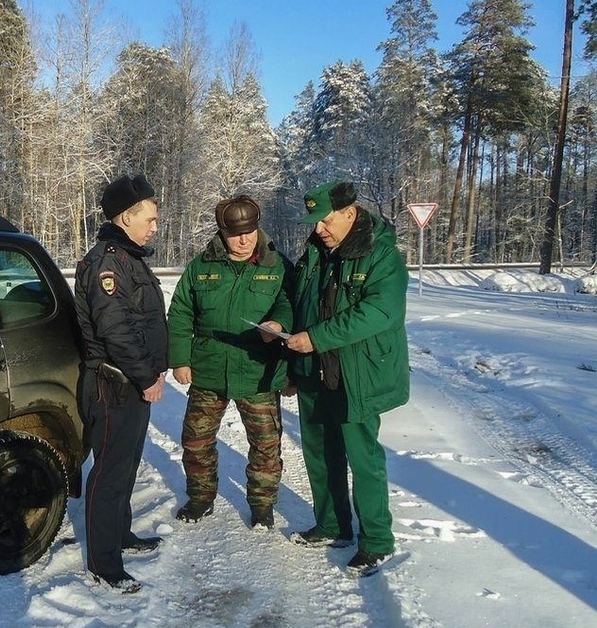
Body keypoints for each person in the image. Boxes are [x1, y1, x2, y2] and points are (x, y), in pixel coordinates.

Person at [284, 179, 410, 573]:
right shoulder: (314, 252)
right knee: (320, 453)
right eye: (314, 222)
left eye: (325, 220)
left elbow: (381, 311)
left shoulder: (381, 254)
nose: (318, 228)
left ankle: (376, 539)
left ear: (349, 212)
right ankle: (332, 524)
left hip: (357, 372)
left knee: (362, 456)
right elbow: (296, 300)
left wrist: (316, 337)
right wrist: (282, 329)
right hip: (314, 371)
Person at [167, 195, 292, 529]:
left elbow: (291, 302)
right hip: (209, 369)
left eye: (249, 231)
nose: (244, 239)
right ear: (222, 232)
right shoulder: (202, 265)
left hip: (258, 371)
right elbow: (180, 312)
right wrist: (180, 359)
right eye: (236, 233)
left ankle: (262, 506)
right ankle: (200, 499)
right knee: (196, 443)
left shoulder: (276, 264)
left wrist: (279, 323)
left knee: (266, 445)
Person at [74, 173, 169, 593]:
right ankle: (103, 563)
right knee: (109, 474)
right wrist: (147, 375)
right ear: (125, 218)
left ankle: (120, 535)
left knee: (127, 464)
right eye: (149, 218)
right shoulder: (107, 263)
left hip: (131, 382)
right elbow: (116, 330)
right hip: (113, 383)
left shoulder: (130, 258)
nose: (154, 225)